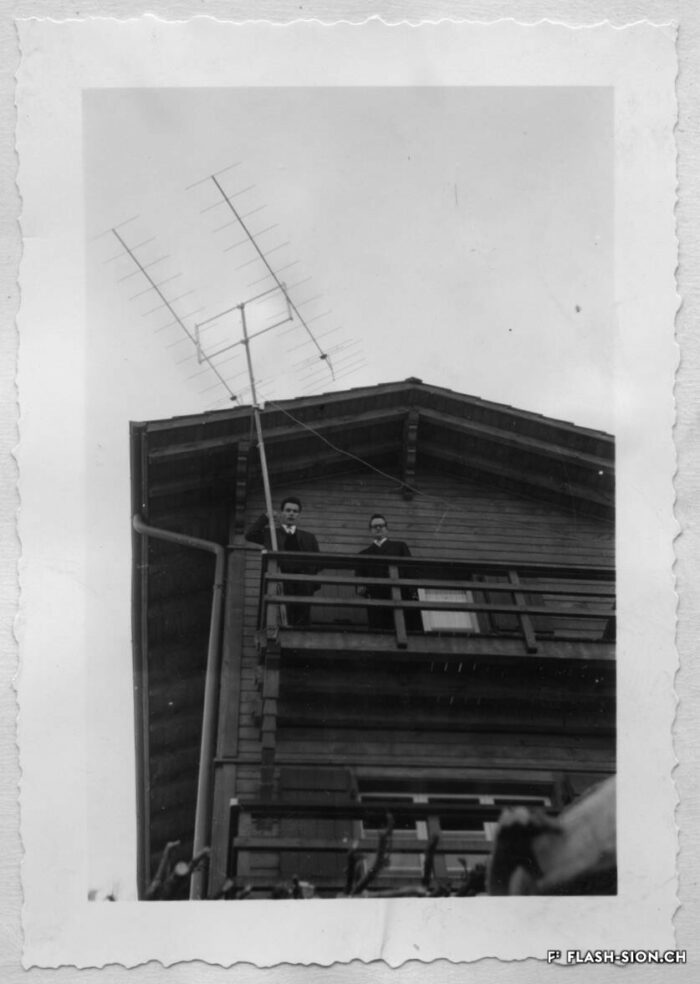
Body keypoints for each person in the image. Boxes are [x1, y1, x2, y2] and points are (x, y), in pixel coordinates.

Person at [245, 496, 321, 626]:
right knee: (279, 620)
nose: (291, 513)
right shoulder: (271, 534)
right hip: (280, 583)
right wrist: (265, 517)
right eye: (288, 510)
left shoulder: (309, 538)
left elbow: (318, 562)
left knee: (301, 622)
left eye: (295, 511)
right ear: (282, 513)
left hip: (302, 585)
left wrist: (309, 578)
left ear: (299, 515)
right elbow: (250, 535)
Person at [355, 514, 421, 631]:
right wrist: (360, 587)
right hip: (376, 601)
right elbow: (359, 580)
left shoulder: (400, 546)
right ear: (370, 530)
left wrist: (413, 591)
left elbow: (410, 570)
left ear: (387, 528)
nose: (378, 528)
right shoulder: (363, 554)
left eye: (381, 525)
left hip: (401, 597)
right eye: (374, 526)